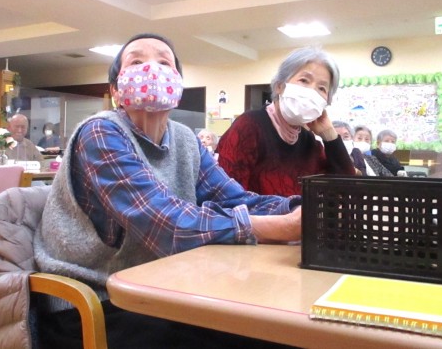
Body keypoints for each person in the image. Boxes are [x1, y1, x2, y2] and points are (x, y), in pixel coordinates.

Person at [33, 33, 301, 349]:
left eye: (164, 62)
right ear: (116, 90)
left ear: (177, 85)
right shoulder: (101, 131)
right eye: (136, 61)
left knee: (267, 326)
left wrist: (302, 209)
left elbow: (235, 198)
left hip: (157, 288)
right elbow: (164, 223)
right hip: (93, 302)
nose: (152, 69)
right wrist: (281, 227)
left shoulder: (185, 139)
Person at [216, 46, 355, 196]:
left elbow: (345, 187)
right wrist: (289, 212)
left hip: (302, 213)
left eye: (322, 88)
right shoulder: (249, 126)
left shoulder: (309, 142)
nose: (312, 91)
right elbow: (228, 198)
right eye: (304, 80)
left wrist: (329, 135)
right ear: (280, 86)